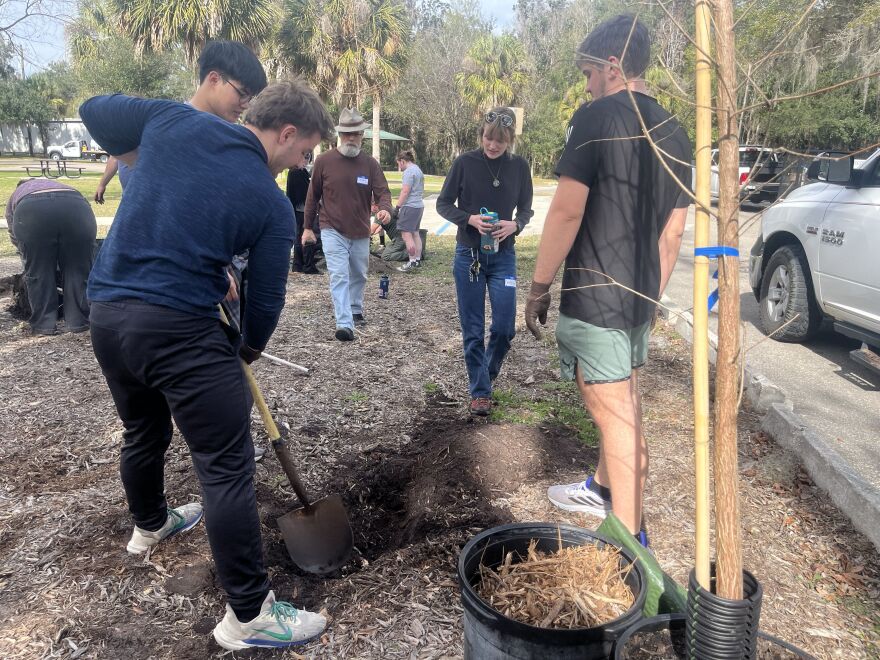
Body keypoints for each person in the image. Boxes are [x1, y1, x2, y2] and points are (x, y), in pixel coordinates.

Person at [80, 80, 336, 650]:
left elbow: (93, 109)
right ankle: (249, 616)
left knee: (142, 428)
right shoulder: (270, 204)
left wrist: (139, 155)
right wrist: (242, 349)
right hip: (179, 331)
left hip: (108, 316)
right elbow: (266, 304)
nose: (302, 164)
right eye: (303, 153)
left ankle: (150, 525)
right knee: (225, 468)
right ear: (286, 133)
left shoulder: (172, 122)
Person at [524, 15, 692, 546]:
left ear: (614, 67)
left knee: (614, 414)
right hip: (640, 295)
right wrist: (650, 294)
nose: (588, 84)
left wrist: (537, 286)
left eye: (591, 72)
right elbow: (674, 231)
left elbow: (567, 212)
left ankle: (629, 539)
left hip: (595, 296)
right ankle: (600, 487)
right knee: (627, 398)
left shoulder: (595, 117)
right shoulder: (676, 130)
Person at [436, 107, 533, 416]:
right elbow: (442, 204)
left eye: (500, 142)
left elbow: (527, 210)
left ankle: (485, 376)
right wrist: (469, 220)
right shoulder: (465, 163)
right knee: (473, 329)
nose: (492, 146)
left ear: (510, 141)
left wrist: (515, 224)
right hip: (470, 256)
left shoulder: (519, 167)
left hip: (504, 256)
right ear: (481, 135)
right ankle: (480, 393)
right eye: (488, 138)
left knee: (505, 327)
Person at [94, 40, 268, 205]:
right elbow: (91, 112)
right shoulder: (165, 120)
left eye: (250, 98)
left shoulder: (232, 138)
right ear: (214, 79)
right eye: (242, 93)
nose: (245, 104)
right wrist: (139, 162)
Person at [302, 107, 392, 341]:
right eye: (347, 134)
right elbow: (312, 196)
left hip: (360, 229)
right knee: (339, 275)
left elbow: (383, 192)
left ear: (362, 136)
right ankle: (344, 323)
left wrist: (385, 209)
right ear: (339, 135)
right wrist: (307, 227)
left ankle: (354, 308)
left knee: (359, 274)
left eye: (356, 134)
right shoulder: (324, 161)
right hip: (331, 228)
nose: (351, 138)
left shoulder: (370, 164)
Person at [5, 179, 96, 335]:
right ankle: (79, 322)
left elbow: (15, 235)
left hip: (31, 213)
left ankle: (43, 325)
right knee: (78, 269)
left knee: (38, 273)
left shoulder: (17, 194)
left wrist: (30, 256)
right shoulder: (62, 186)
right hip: (77, 208)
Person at [286, 154, 321, 274]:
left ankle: (299, 265)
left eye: (308, 158)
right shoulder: (297, 173)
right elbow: (305, 194)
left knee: (299, 238)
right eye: (305, 157)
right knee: (307, 236)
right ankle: (307, 265)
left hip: (298, 209)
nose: (306, 160)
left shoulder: (298, 172)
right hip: (302, 210)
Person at [393, 149, 425, 273]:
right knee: (415, 233)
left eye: (398, 163)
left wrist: (397, 207)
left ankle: (411, 262)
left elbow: (405, 191)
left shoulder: (408, 172)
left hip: (409, 207)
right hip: (419, 206)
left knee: (406, 235)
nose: (399, 166)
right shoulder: (418, 169)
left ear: (402, 161)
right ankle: (417, 260)